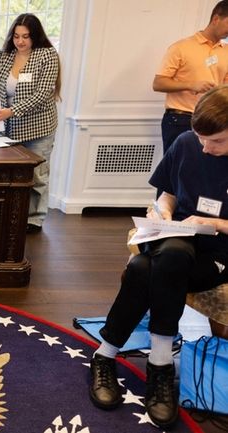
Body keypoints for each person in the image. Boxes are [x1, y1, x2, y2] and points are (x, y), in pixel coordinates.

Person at [89, 85, 228, 428]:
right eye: (201, 138)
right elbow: (166, 195)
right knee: (173, 255)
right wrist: (161, 213)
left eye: (218, 141)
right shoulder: (185, 144)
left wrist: (211, 222)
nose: (206, 148)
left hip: (218, 255)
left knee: (141, 267)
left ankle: (106, 355)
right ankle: (160, 366)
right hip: (176, 240)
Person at [0, 13, 60, 233]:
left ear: (35, 36)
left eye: (26, 36)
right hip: (6, 128)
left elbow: (44, 93)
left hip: (38, 127)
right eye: (16, 36)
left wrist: (12, 111)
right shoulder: (4, 56)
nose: (20, 41)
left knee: (37, 176)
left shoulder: (47, 55)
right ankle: (8, 216)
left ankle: (33, 219)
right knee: (6, 175)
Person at [152, 0, 228, 155]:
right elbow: (158, 83)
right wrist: (191, 85)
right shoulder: (181, 47)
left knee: (207, 171)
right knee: (176, 168)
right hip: (180, 120)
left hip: (214, 120)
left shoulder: (226, 52)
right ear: (216, 19)